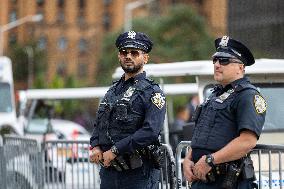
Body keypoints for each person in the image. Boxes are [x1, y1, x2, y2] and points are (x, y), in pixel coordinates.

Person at [183, 36, 267, 189]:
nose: (217, 65)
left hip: (228, 182)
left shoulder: (248, 96)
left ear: (240, 67)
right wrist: (188, 159)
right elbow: (202, 135)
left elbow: (247, 141)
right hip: (201, 180)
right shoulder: (214, 95)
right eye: (215, 60)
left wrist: (210, 160)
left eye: (224, 61)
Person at [89, 31, 166, 189]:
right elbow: (99, 123)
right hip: (109, 173)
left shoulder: (153, 92)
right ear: (119, 56)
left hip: (138, 175)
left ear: (145, 58)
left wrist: (116, 150)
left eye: (134, 53)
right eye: (124, 52)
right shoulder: (112, 91)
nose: (128, 56)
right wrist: (95, 145)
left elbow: (150, 132)